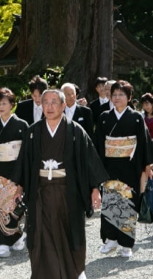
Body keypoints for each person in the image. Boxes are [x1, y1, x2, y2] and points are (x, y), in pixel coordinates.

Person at [11, 89, 108, 279]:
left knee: (69, 233)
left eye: (54, 102)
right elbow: (24, 162)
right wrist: (19, 187)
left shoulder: (75, 131)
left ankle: (73, 272)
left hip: (68, 192)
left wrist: (95, 189)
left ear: (64, 106)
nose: (49, 106)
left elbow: (90, 161)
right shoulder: (33, 132)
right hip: (40, 194)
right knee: (41, 234)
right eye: (45, 102)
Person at [96, 80, 153, 257]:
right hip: (109, 165)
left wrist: (147, 167)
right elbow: (99, 143)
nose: (117, 98)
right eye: (114, 94)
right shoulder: (104, 117)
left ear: (129, 97)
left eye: (121, 94)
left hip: (130, 165)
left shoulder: (137, 117)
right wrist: (98, 169)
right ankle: (111, 239)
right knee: (110, 201)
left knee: (128, 203)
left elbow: (144, 143)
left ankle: (126, 244)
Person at [0, 88, 28, 258]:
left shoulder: (21, 125)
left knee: (14, 207)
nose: (0, 106)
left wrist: (22, 178)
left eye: (4, 103)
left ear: (12, 104)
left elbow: (26, 153)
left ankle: (16, 236)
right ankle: (4, 243)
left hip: (16, 171)